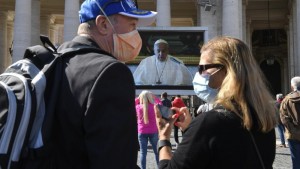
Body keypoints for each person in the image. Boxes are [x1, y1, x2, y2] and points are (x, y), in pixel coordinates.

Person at [26, 1, 157, 168]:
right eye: (132, 25)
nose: (136, 34)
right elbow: (117, 162)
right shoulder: (111, 73)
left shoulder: (49, 64)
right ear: (103, 24)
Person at [154, 36, 277, 169]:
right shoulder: (264, 119)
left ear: (226, 70)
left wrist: (164, 138)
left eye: (202, 68)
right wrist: (191, 130)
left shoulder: (209, 123)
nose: (199, 74)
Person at [136, 90, 160, 169]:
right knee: (157, 152)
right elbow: (161, 104)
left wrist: (138, 98)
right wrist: (155, 97)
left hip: (142, 131)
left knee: (143, 153)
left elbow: (131, 104)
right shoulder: (154, 106)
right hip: (153, 131)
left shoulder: (138, 107)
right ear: (150, 97)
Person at [280, 77, 300, 169]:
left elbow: (283, 118)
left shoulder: (286, 99)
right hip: (293, 134)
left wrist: (293, 130)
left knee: (296, 161)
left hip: (292, 135)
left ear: (292, 87)